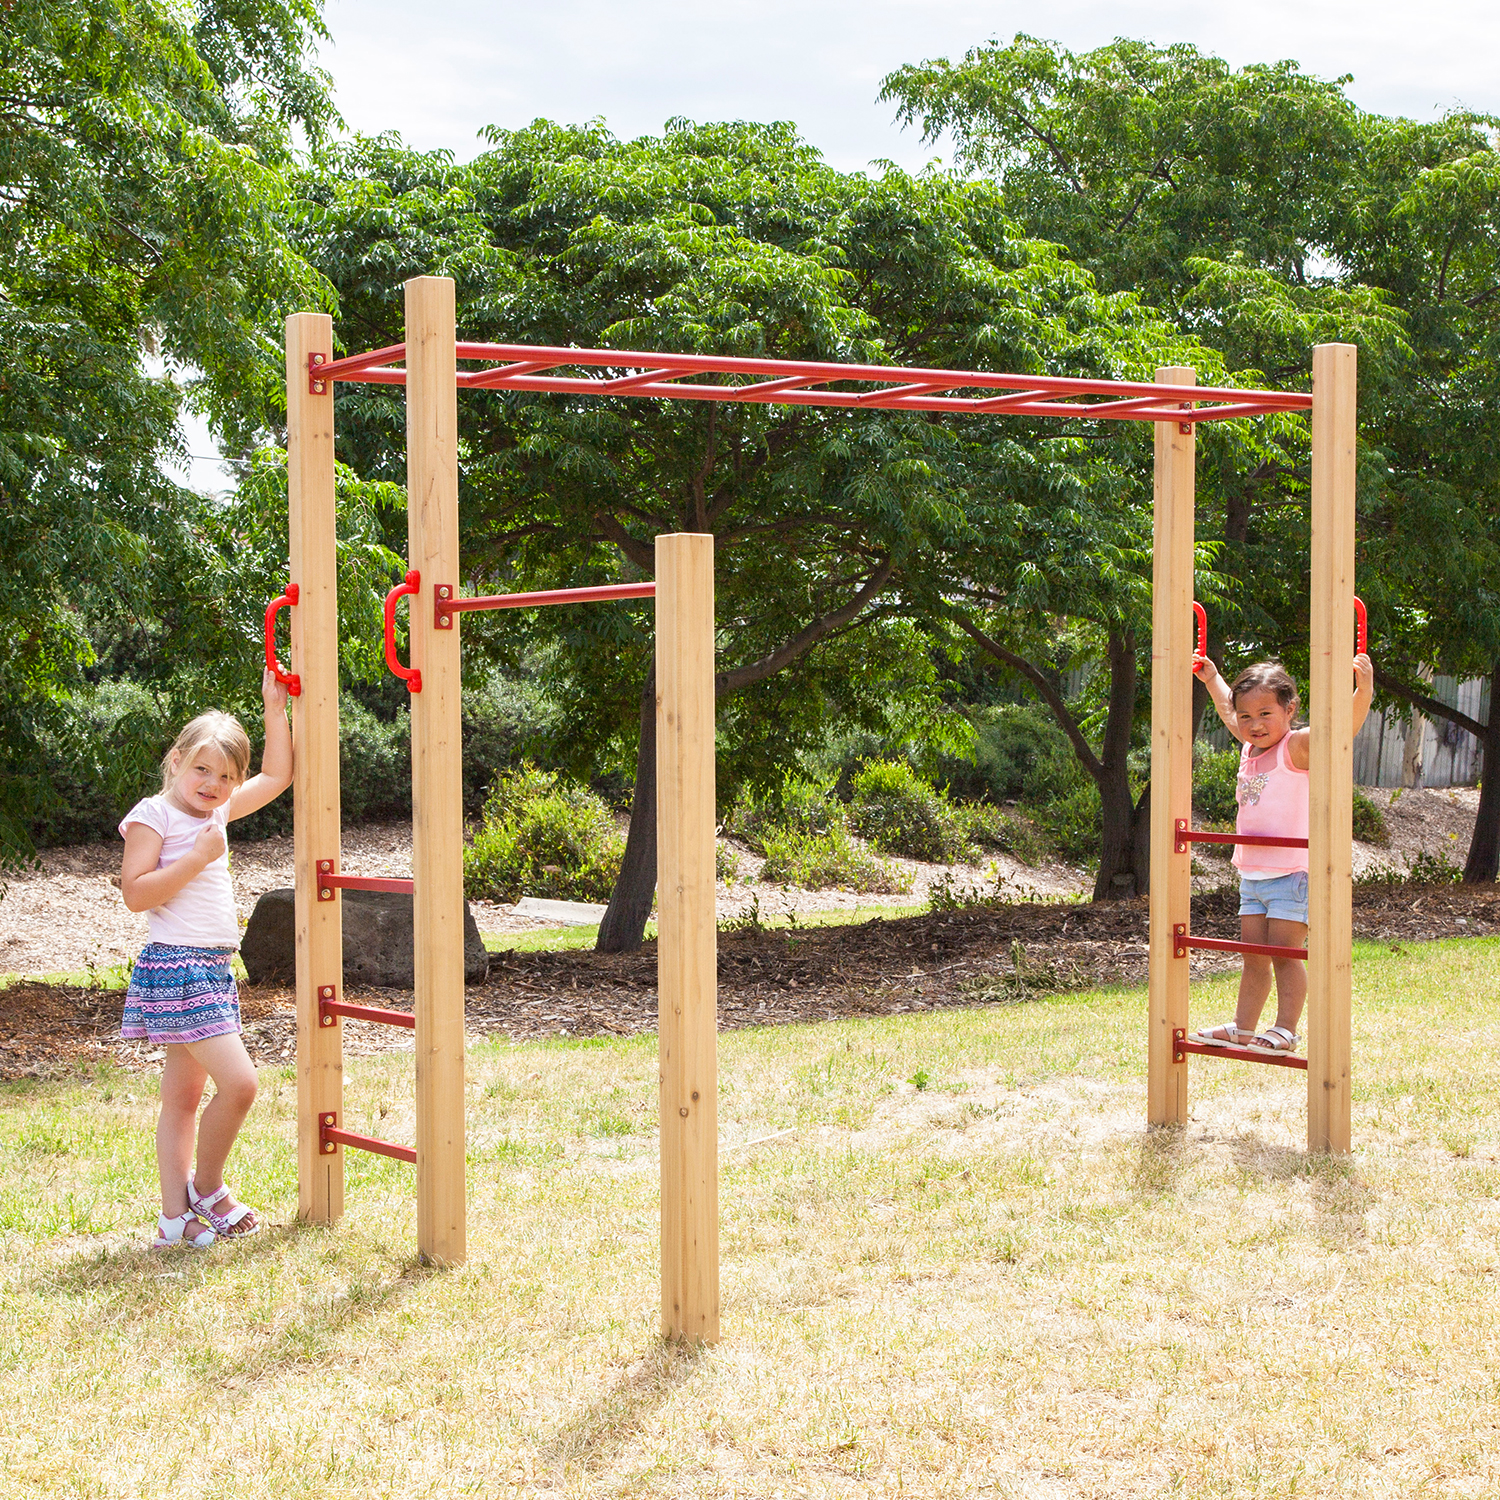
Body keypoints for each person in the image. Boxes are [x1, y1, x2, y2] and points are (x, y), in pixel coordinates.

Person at [119, 672, 292, 1248]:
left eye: (225, 777)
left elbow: (277, 776)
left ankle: (174, 1220)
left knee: (183, 1100)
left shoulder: (214, 813)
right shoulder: (155, 815)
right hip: (177, 968)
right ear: (176, 761)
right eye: (201, 769)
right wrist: (197, 857)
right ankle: (209, 1189)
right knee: (241, 1085)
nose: (212, 784)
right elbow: (136, 893)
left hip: (212, 970)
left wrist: (273, 707)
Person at [1188, 652, 1374, 1054]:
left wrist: (1363, 692)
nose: (1254, 724)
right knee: (1254, 956)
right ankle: (1243, 1027)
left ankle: (1286, 1030)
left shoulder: (1296, 747)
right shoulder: (1249, 747)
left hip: (1292, 873)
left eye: (1265, 714)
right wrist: (1212, 679)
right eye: (1247, 716)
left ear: (1290, 710)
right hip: (1253, 875)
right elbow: (1227, 710)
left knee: (1284, 956)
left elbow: (1340, 732)